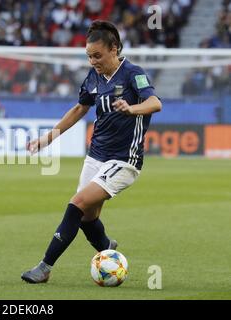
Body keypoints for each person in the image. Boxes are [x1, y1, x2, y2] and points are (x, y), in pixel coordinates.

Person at [21, 20, 162, 284]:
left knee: (76, 204)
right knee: (87, 217)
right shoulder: (94, 77)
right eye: (89, 56)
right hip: (95, 155)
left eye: (97, 55)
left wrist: (132, 108)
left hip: (124, 160)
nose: (93, 61)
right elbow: (79, 109)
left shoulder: (133, 73)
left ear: (114, 49)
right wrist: (47, 139)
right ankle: (107, 247)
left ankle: (44, 267)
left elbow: (155, 103)